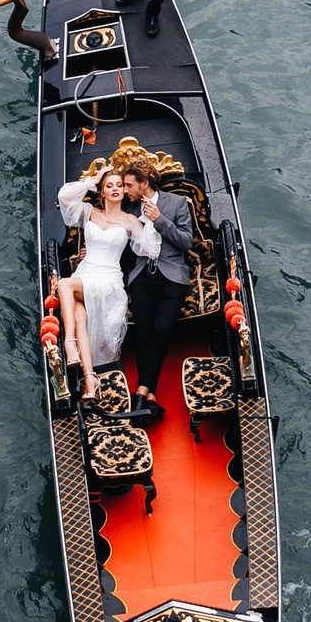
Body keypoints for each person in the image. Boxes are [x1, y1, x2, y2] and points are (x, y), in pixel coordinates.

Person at [53, 166, 160, 403]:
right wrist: (94, 178)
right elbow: (64, 197)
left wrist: (151, 221)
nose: (114, 189)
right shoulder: (90, 212)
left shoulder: (130, 220)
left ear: (124, 192)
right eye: (109, 185)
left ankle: (70, 343)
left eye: (119, 185)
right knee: (79, 316)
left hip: (109, 279)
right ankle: (91, 380)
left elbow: (150, 250)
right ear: (102, 192)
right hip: (86, 272)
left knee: (63, 284)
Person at [116, 158, 198, 425]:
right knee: (143, 331)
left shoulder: (176, 203)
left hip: (172, 276)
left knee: (161, 330)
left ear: (144, 184)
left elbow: (187, 242)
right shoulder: (127, 207)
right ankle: (147, 397)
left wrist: (159, 219)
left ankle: (142, 392)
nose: (125, 189)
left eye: (129, 184)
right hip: (142, 275)